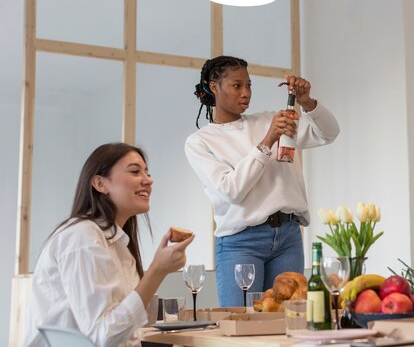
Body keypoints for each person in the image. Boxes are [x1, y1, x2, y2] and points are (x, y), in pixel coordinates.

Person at [185, 55, 340, 306]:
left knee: (288, 325)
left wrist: (307, 103)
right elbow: (231, 190)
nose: (245, 92)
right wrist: (268, 140)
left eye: (249, 85)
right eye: (237, 85)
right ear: (214, 87)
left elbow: (329, 133)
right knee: (242, 329)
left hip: (288, 237)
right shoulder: (200, 141)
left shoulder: (269, 120)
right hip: (240, 242)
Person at [23, 142, 193, 347]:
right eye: (135, 171)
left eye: (147, 173)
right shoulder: (82, 238)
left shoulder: (119, 245)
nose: (148, 180)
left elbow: (128, 331)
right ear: (100, 184)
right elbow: (102, 336)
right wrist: (157, 271)